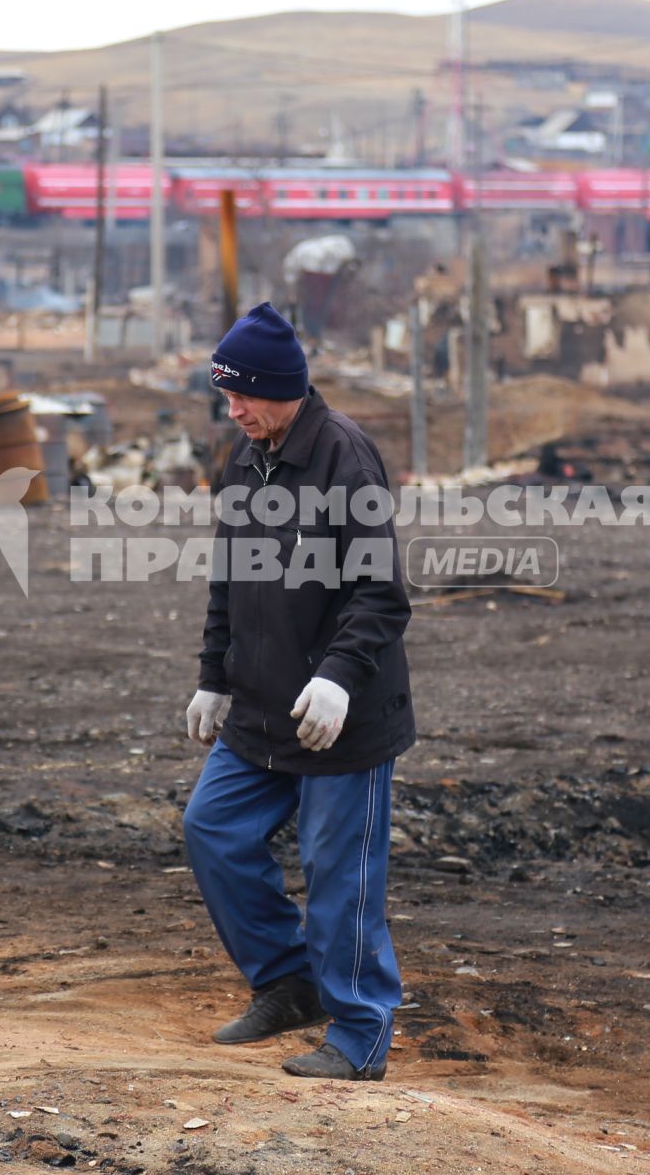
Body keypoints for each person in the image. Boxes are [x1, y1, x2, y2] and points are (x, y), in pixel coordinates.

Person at [182, 301, 415, 1082]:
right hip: (259, 710)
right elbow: (228, 581)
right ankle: (289, 982)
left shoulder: (345, 456)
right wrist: (214, 677)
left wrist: (339, 677)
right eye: (226, 397)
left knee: (337, 874)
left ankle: (360, 1036)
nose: (233, 409)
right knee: (212, 830)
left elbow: (381, 594)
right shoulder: (245, 462)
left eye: (244, 395)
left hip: (340, 719)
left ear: (284, 388)